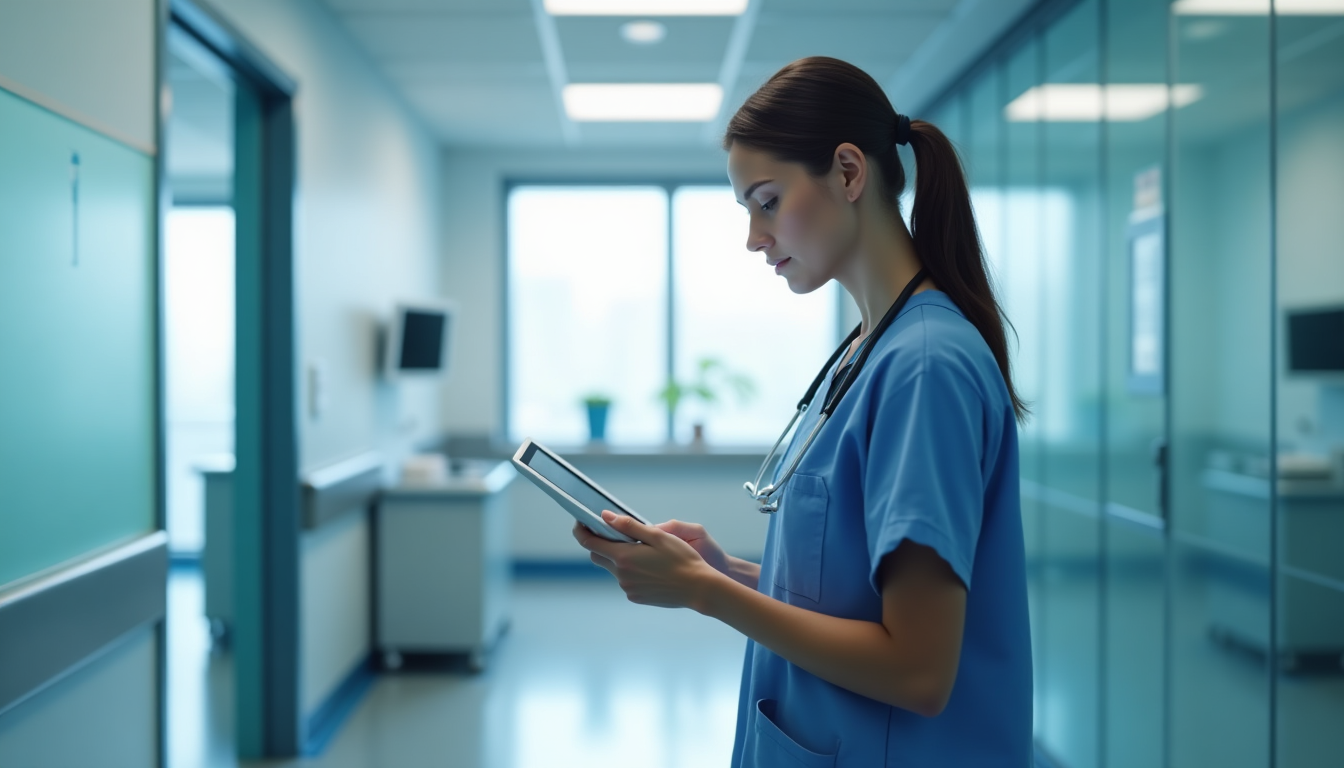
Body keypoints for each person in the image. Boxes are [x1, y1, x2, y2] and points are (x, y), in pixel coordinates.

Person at [572, 56, 1032, 767]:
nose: (755, 238)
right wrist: (724, 571)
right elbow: (851, 597)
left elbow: (917, 669)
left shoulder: (925, 368)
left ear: (849, 173)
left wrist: (703, 596)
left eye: (766, 201)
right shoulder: (866, 351)